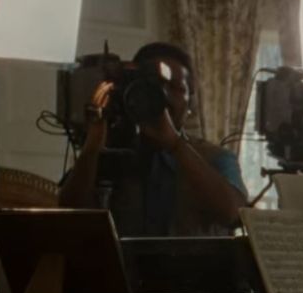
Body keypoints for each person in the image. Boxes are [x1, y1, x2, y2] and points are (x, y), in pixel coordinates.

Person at [59, 42, 245, 236]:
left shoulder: (216, 158)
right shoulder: (110, 154)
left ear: (191, 102)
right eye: (156, 86)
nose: (165, 97)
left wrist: (175, 144)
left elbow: (233, 214)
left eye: (176, 88)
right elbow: (67, 217)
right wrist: (92, 145)